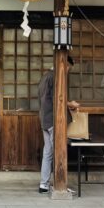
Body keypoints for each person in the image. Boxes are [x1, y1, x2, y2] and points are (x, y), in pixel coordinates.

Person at [38, 57, 79, 194]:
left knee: (48, 152)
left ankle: (43, 184)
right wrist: (71, 104)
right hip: (54, 120)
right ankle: (59, 185)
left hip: (44, 119)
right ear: (64, 64)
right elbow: (58, 99)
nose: (68, 71)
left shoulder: (45, 77)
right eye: (68, 68)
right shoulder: (55, 77)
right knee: (59, 151)